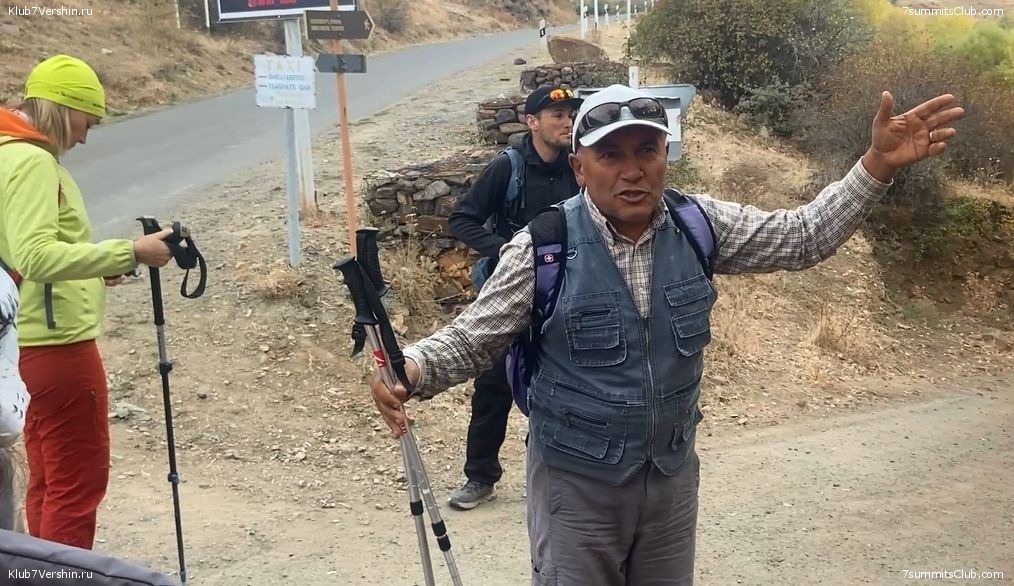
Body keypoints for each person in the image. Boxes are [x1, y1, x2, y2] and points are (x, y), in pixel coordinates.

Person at [369, 83, 963, 584]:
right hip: (576, 486)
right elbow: (470, 338)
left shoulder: (699, 224)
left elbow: (803, 236)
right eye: (610, 154)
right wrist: (410, 369)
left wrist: (876, 165)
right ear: (579, 167)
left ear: (665, 157)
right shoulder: (543, 246)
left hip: (671, 481)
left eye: (647, 150)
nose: (632, 170)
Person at [0, 54, 175, 549]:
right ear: (64, 107)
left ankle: (34, 571)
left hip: (22, 341)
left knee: (49, 479)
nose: (85, 137)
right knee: (76, 483)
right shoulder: (33, 162)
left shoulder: (7, 153)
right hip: (58, 347)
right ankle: (61, 576)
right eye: (87, 121)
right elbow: (36, 255)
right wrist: (130, 251)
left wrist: (99, 268)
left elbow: (21, 250)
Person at [445, 84, 584, 510]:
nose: (567, 122)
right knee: (493, 387)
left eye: (570, 115)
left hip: (565, 294)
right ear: (532, 122)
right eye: (557, 115)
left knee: (565, 385)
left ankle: (558, 475)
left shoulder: (579, 165)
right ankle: (480, 478)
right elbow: (462, 219)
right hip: (510, 295)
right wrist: (504, 249)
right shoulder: (508, 167)